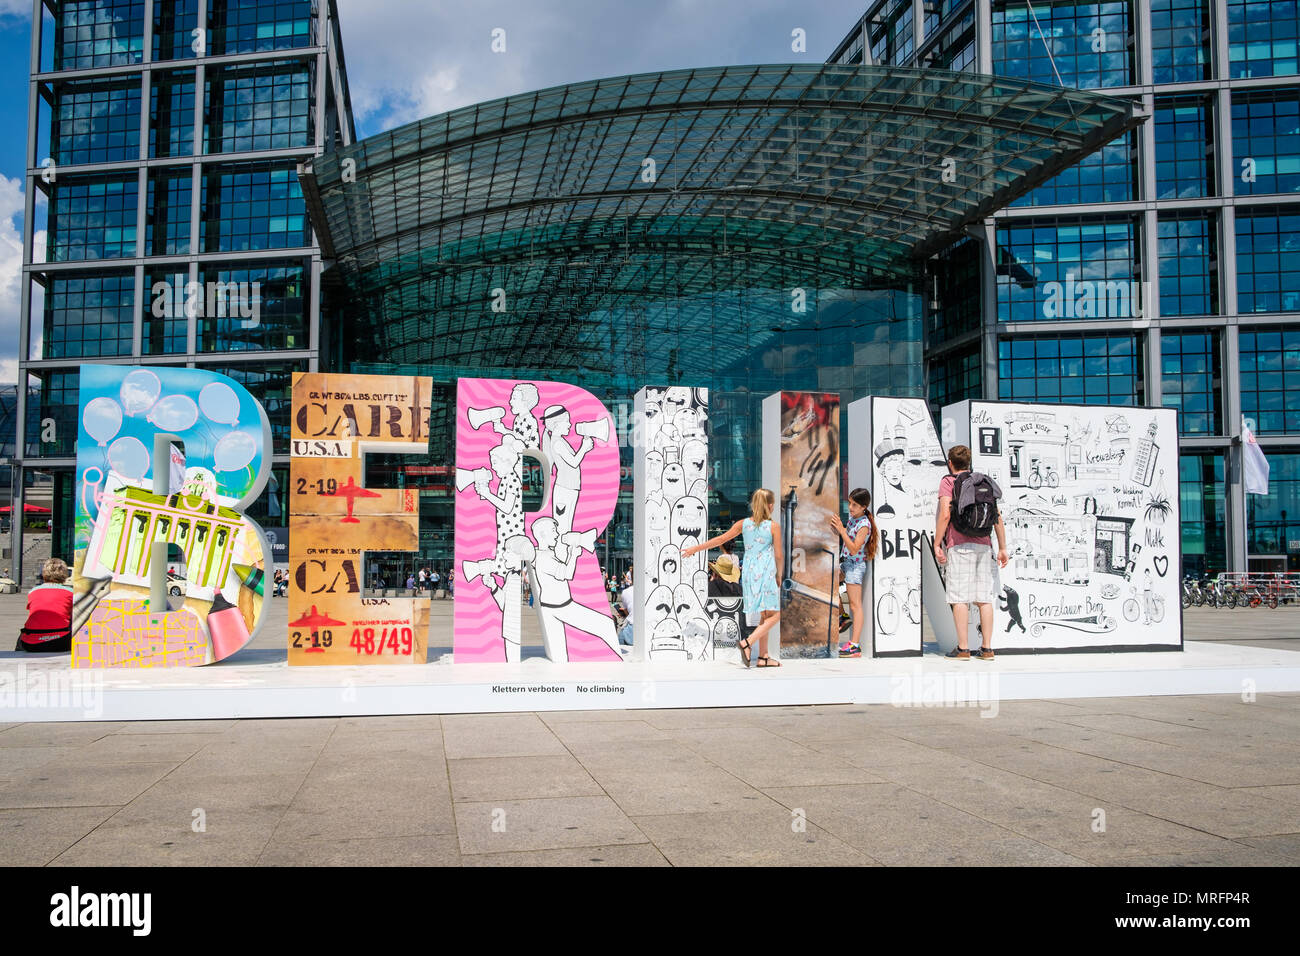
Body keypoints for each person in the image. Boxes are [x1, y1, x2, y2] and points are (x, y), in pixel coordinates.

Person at [683, 488, 782, 668]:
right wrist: (779, 575)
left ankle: (764, 657)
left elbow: (720, 539)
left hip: (749, 573)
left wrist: (694, 549)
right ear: (770, 505)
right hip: (766, 573)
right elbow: (779, 555)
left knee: (765, 614)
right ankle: (748, 642)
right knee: (775, 615)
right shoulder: (773, 526)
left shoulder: (743, 524)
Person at [934, 444, 1008, 660]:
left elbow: (946, 514)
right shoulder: (981, 481)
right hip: (984, 545)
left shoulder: (949, 482)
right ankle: (987, 649)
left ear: (950, 463)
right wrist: (1002, 547)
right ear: (968, 462)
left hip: (959, 544)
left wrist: (937, 542)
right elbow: (997, 517)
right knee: (984, 598)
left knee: (959, 598)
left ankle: (964, 648)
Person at [829, 487, 879, 658]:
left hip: (855, 566)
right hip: (846, 564)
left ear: (864, 507)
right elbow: (847, 540)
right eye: (849, 503)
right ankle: (842, 616)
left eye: (855, 505)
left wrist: (842, 531)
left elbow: (854, 548)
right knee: (829, 583)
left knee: (855, 605)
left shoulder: (864, 524)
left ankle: (855, 645)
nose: (850, 507)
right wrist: (838, 529)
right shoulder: (853, 519)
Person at [16, 558, 73, 652]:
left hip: (30, 642)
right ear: (65, 574)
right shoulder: (70, 593)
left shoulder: (33, 592)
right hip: (60, 641)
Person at [617, 571, 634, 646]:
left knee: (621, 636)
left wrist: (625, 613)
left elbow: (629, 613)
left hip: (632, 632)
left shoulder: (626, 592)